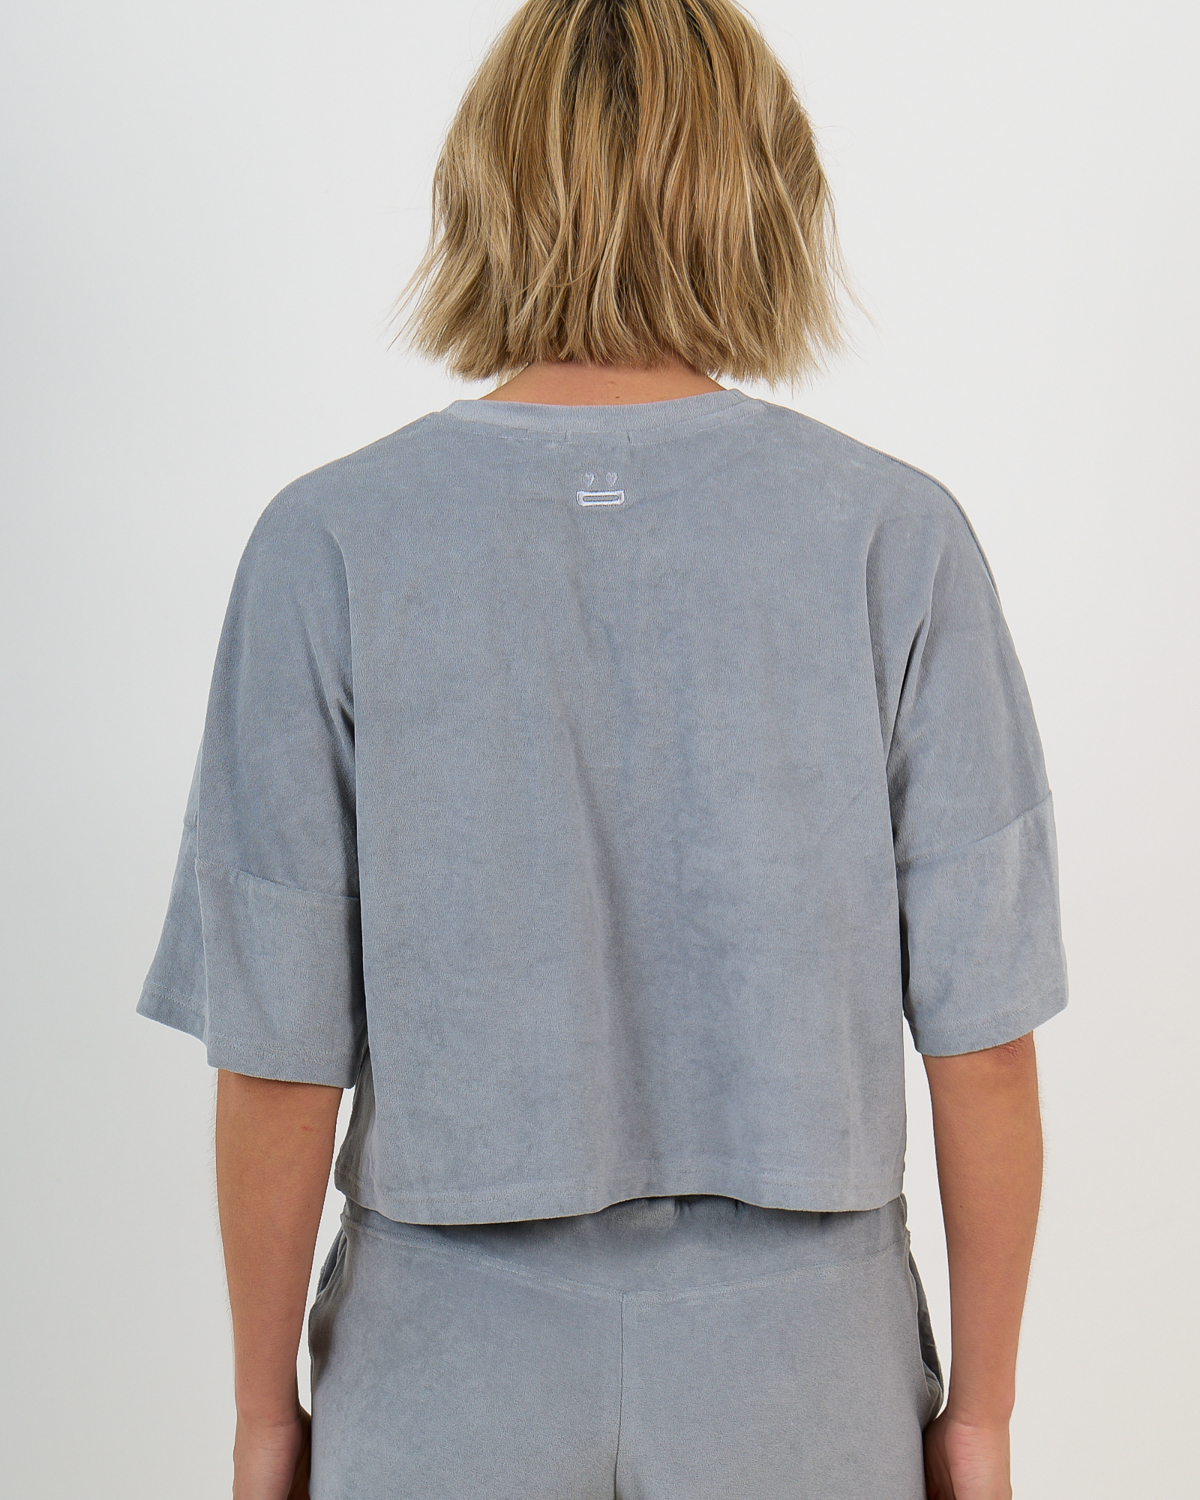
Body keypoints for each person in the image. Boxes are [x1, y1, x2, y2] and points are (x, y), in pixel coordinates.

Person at [135, 2, 1068, 1497]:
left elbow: (277, 1062)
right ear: (762, 193)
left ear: (484, 186)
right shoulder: (897, 538)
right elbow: (988, 1048)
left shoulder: (330, 543)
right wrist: (983, 1416)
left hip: (444, 1359)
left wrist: (263, 1415)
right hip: (802, 1362)